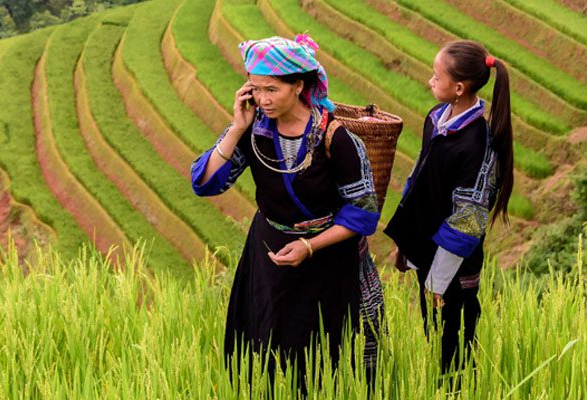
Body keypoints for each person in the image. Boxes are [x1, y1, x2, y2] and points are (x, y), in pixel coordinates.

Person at [191, 35, 385, 391]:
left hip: (328, 258)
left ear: (298, 86)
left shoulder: (336, 138)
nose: (262, 99)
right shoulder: (254, 132)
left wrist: (309, 247)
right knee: (266, 349)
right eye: (255, 88)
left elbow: (362, 215)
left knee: (328, 355)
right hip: (270, 253)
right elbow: (205, 183)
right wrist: (236, 127)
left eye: (272, 89)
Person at [384, 40, 514, 373]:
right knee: (433, 337)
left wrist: (437, 282)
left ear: (458, 87)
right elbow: (419, 176)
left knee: (454, 353)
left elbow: (467, 222)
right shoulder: (436, 118)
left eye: (436, 76)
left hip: (452, 269)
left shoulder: (477, 145)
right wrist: (406, 245)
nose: (430, 81)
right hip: (426, 251)